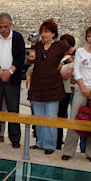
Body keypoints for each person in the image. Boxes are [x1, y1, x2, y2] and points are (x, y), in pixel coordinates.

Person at [61, 25, 91, 163]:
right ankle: (68, 150)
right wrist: (83, 87)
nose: (90, 39)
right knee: (74, 119)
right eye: (88, 36)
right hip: (80, 88)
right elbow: (77, 70)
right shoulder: (81, 52)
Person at [27, 19, 71, 154]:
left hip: (53, 88)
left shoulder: (60, 45)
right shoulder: (38, 46)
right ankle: (40, 142)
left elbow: (72, 53)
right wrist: (32, 45)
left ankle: (50, 145)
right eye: (42, 32)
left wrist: (64, 64)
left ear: (53, 33)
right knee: (38, 118)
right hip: (37, 87)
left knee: (51, 118)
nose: (43, 34)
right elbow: (30, 60)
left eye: (46, 32)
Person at [0, 13, 26, 148]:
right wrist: (0, 71)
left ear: (10, 25)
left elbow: (21, 57)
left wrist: (10, 71)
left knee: (13, 109)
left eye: (5, 27)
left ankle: (15, 139)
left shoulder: (18, 37)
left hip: (12, 77)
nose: (3, 30)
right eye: (0, 27)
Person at [57, 34, 76, 149]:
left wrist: (56, 69)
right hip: (56, 90)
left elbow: (65, 75)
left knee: (61, 117)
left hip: (66, 91)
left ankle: (59, 143)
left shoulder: (71, 59)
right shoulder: (58, 56)